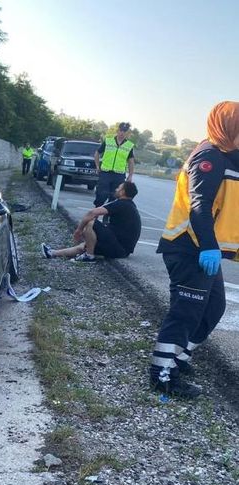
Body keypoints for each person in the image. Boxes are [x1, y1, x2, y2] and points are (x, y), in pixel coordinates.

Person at [148, 101, 239, 399]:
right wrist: (210, 248)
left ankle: (178, 358)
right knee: (186, 312)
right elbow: (199, 206)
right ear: (228, 126)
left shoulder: (228, 155)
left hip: (205, 250)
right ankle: (163, 374)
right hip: (190, 248)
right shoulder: (209, 157)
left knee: (214, 309)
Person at [40, 181, 140, 262]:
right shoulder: (129, 206)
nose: (116, 189)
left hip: (120, 248)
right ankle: (52, 253)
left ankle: (89, 256)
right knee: (84, 246)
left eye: (119, 188)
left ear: (123, 192)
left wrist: (78, 230)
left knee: (91, 223)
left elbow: (92, 213)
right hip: (121, 248)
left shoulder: (122, 204)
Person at [94, 122, 135, 207]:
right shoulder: (108, 141)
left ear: (127, 133)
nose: (122, 133)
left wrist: (130, 175)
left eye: (124, 131)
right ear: (117, 130)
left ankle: (108, 217)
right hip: (105, 173)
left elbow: (131, 161)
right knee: (101, 195)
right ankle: (96, 213)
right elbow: (97, 153)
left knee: (114, 197)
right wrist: (97, 166)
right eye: (120, 130)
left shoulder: (129, 146)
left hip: (119, 175)